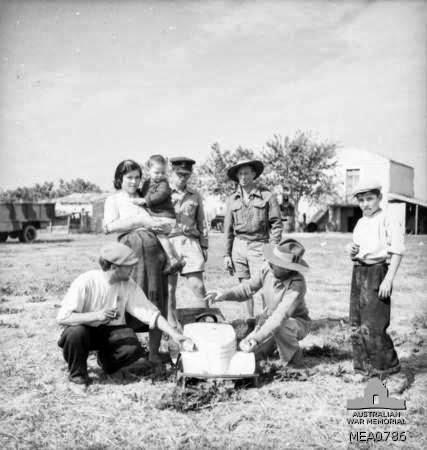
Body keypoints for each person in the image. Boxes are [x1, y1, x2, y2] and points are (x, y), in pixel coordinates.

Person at [57, 243, 192, 385]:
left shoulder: (128, 284)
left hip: (111, 331)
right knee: (75, 333)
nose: (133, 270)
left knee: (132, 348)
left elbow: (150, 313)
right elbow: (63, 317)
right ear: (115, 267)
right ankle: (78, 376)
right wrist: (96, 316)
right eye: (129, 266)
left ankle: (107, 363)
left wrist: (175, 335)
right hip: (85, 331)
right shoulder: (86, 281)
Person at [103, 159, 173, 363]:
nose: (134, 182)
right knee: (129, 299)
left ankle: (153, 352)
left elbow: (165, 220)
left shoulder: (147, 198)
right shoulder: (114, 200)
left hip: (155, 254)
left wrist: (161, 226)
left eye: (137, 178)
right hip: (129, 255)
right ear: (119, 179)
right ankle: (127, 352)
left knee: (157, 299)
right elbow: (108, 227)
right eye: (129, 178)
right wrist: (139, 221)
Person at [205, 239, 311, 366]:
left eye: (275, 263)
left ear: (287, 269)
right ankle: (274, 345)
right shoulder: (268, 269)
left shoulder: (297, 285)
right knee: (249, 355)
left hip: (294, 323)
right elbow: (247, 288)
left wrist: (256, 338)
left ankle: (293, 358)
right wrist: (224, 295)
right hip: (269, 320)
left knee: (282, 328)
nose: (270, 264)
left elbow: (280, 317)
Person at [347, 180, 404, 376]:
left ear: (379, 198)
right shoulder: (361, 222)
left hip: (378, 272)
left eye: (370, 199)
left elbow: (397, 251)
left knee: (375, 325)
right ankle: (363, 369)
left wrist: (388, 279)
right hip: (359, 272)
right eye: (361, 200)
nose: (365, 204)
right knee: (356, 324)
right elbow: (357, 250)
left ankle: (389, 369)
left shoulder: (388, 219)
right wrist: (352, 250)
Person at [223, 159, 283, 317]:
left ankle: (266, 325)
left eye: (246, 173)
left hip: (260, 245)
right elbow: (228, 229)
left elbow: (276, 224)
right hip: (239, 246)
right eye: (240, 173)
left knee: (265, 286)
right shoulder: (232, 199)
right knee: (244, 287)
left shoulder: (267, 196)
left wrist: (272, 250)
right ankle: (248, 322)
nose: (243, 177)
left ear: (254, 174)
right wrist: (227, 254)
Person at [167, 157, 209, 330]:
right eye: (179, 174)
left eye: (186, 175)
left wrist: (204, 245)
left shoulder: (195, 195)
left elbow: (202, 222)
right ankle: (172, 325)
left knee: (198, 286)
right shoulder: (163, 193)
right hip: (168, 243)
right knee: (169, 288)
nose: (182, 178)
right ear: (172, 173)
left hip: (190, 242)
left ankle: (207, 319)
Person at [134, 154, 184, 274]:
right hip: (158, 216)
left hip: (165, 216)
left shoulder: (164, 184)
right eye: (157, 172)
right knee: (156, 236)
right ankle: (175, 260)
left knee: (159, 233)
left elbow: (159, 196)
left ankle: (172, 259)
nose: (160, 175)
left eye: (163, 172)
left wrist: (145, 201)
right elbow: (143, 193)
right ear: (148, 170)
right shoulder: (146, 183)